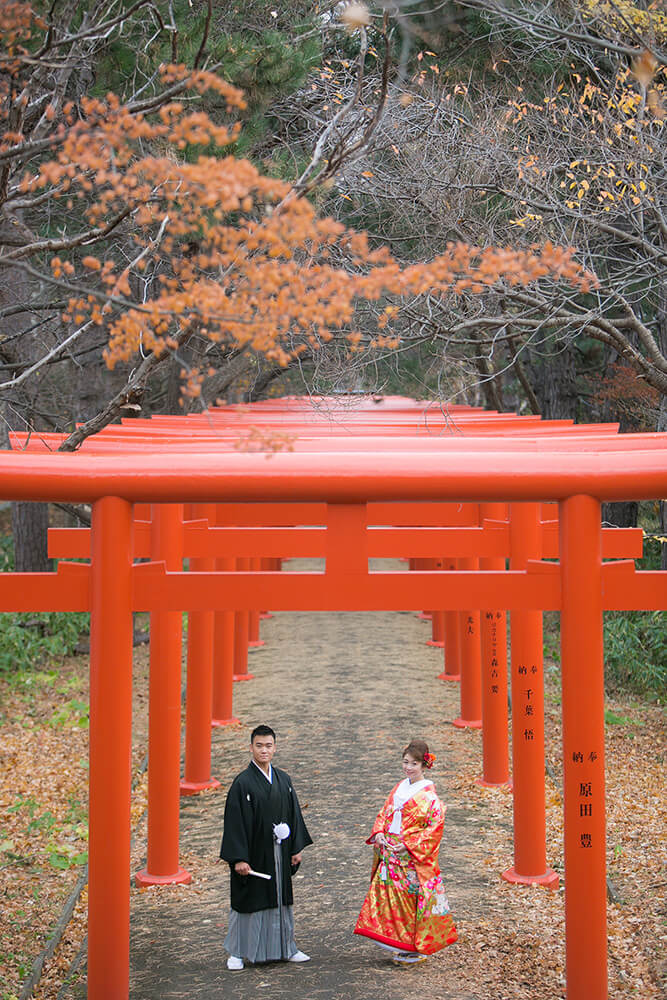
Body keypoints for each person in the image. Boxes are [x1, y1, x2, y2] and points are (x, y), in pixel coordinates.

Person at [354, 739, 457, 965]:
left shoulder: (430, 796)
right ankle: (398, 942)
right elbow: (384, 812)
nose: (408, 767)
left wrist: (410, 845)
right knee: (392, 898)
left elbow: (434, 828)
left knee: (411, 900)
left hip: (409, 854)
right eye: (405, 762)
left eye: (414, 764)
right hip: (391, 850)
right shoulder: (400, 787)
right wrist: (379, 832)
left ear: (424, 766)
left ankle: (414, 946)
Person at [219, 724, 313, 971]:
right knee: (248, 900)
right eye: (259, 745)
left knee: (281, 898)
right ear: (250, 748)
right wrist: (239, 858)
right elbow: (234, 823)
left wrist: (296, 847)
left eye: (268, 746)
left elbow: (294, 815)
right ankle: (238, 952)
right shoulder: (242, 783)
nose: (264, 750)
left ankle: (286, 948)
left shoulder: (284, 779)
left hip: (279, 852)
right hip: (253, 855)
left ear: (275, 748)